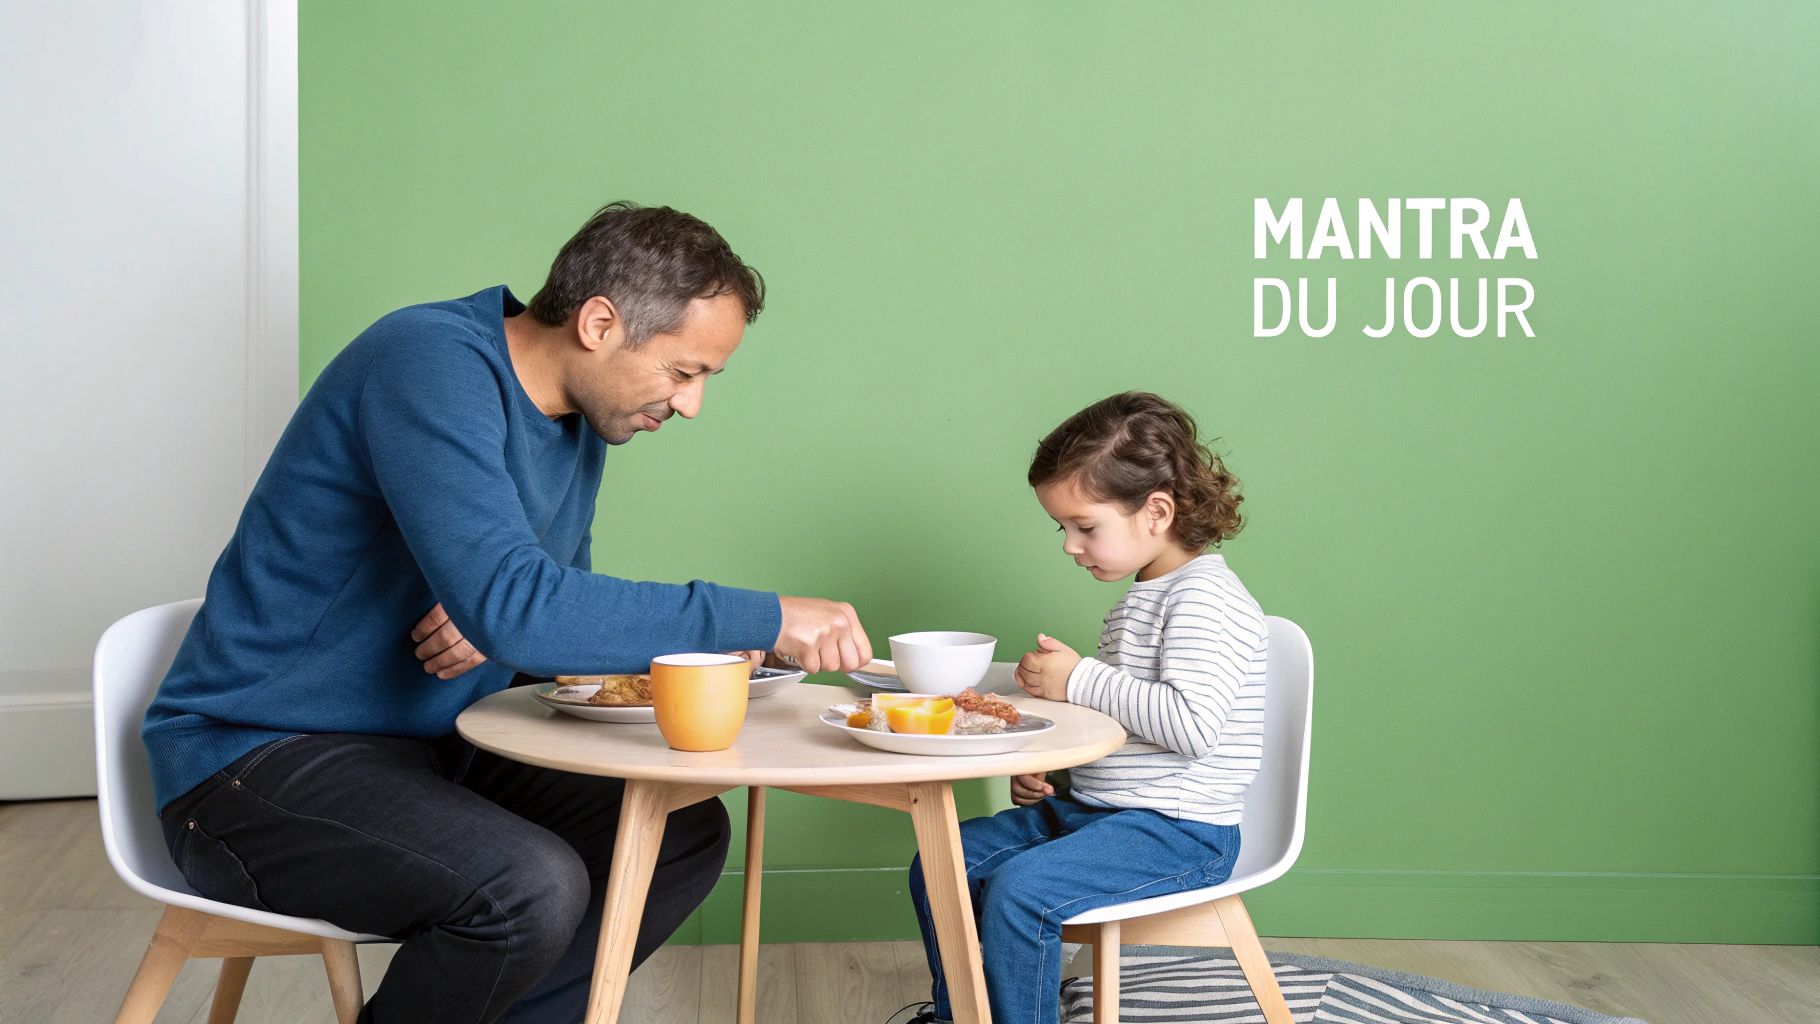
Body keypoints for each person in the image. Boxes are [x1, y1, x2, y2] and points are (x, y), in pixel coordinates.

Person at [142, 202, 874, 1023]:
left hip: (429, 746)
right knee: (524, 888)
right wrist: (760, 617)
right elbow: (523, 607)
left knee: (679, 834)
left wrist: (501, 608)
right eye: (683, 371)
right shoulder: (427, 361)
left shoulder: (580, 421)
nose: (692, 403)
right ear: (600, 323)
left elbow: (544, 619)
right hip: (256, 758)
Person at [899, 392, 1268, 1024]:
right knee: (940, 860)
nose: (1070, 545)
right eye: (1062, 528)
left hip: (1177, 832)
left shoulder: (1206, 598)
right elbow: (1126, 728)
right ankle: (965, 1013)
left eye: (1085, 526)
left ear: (1156, 512)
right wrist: (1059, 770)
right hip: (1096, 814)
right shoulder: (1138, 601)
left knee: (1021, 892)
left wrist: (1079, 679)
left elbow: (1193, 724)